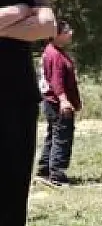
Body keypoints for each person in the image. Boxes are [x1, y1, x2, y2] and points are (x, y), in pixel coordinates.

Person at [0, 0, 55, 226]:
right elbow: (33, 20)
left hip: (17, 95)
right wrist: (19, 13)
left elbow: (48, 24)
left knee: (15, 179)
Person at [35, 20, 80, 187]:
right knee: (62, 136)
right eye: (67, 30)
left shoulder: (52, 51)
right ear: (57, 34)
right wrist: (64, 100)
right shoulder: (54, 54)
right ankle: (57, 174)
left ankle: (45, 170)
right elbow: (56, 81)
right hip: (56, 102)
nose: (71, 33)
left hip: (51, 101)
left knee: (53, 135)